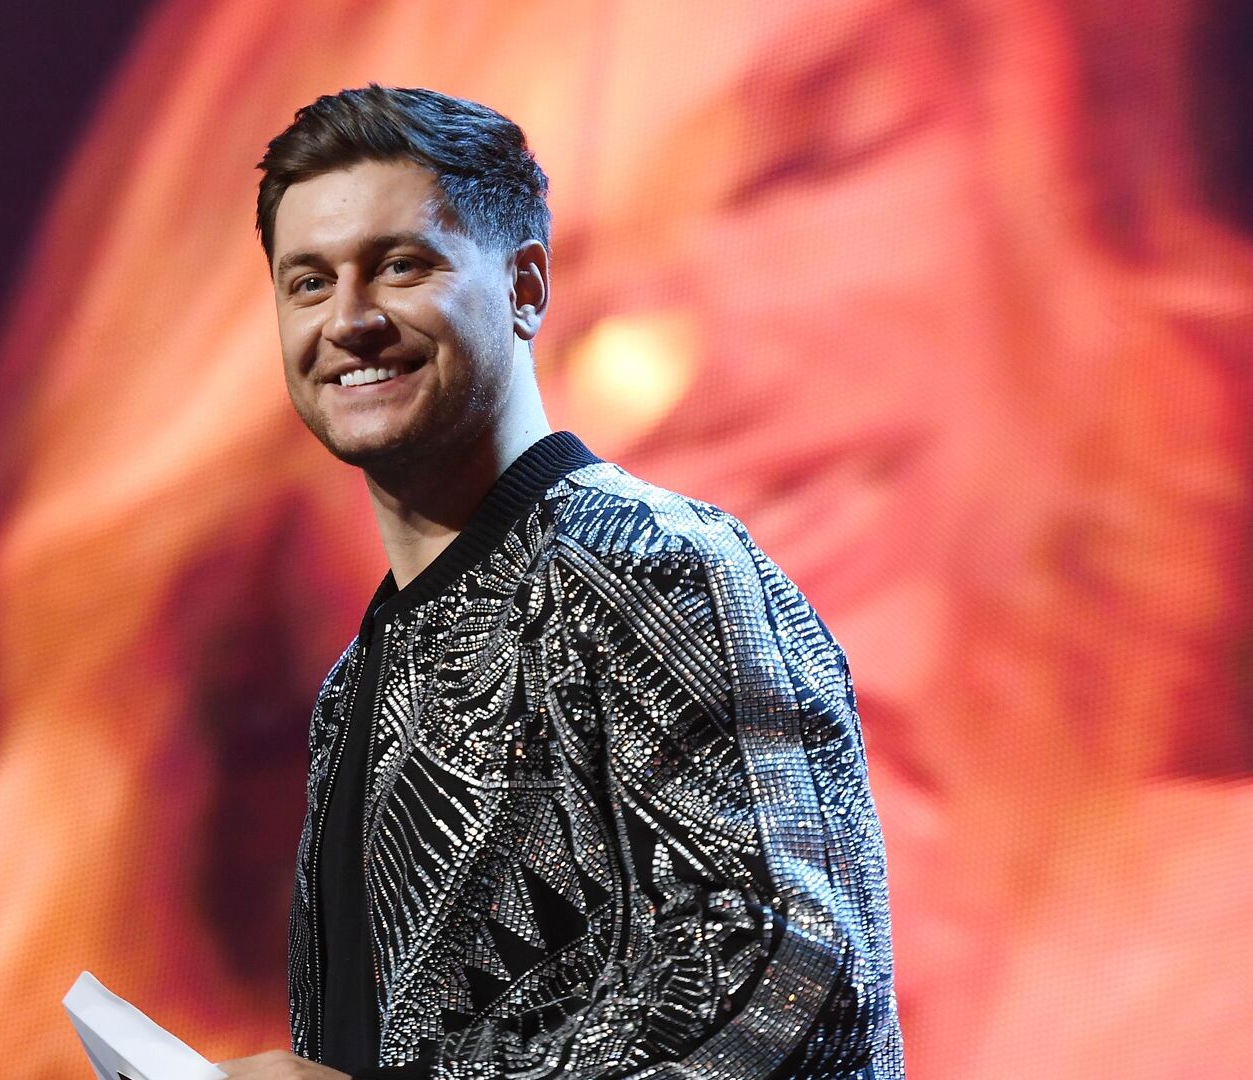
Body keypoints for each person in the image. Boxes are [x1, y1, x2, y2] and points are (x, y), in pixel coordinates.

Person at [216, 86, 901, 1080]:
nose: (350, 319)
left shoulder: (660, 566)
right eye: (309, 283)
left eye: (400, 266)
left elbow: (791, 986)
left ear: (527, 286)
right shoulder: (351, 691)